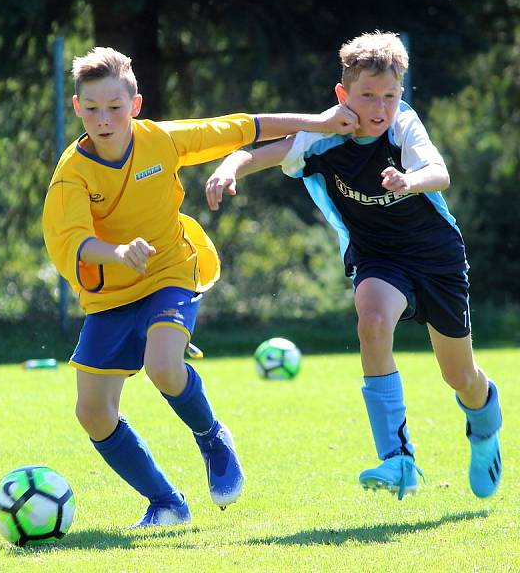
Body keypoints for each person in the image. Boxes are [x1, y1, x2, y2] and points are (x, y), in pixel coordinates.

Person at [42, 47, 357, 527]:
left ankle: (212, 438)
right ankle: (166, 502)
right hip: (109, 293)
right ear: (77, 108)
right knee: (92, 413)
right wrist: (118, 252)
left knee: (163, 366)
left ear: (136, 105)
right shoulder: (72, 173)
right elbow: (74, 240)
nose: (103, 118)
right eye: (91, 108)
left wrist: (319, 121)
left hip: (171, 270)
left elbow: (241, 127)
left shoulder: (162, 141)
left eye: (114, 107)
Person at [205, 32, 503, 500]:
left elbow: (439, 172)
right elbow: (257, 152)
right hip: (377, 256)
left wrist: (408, 180)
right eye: (367, 96)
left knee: (460, 377)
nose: (380, 107)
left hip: (436, 258)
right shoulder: (324, 137)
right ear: (343, 96)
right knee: (372, 318)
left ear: (401, 95)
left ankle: (485, 427)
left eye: (390, 95)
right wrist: (228, 168)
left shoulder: (404, 125)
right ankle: (397, 459)